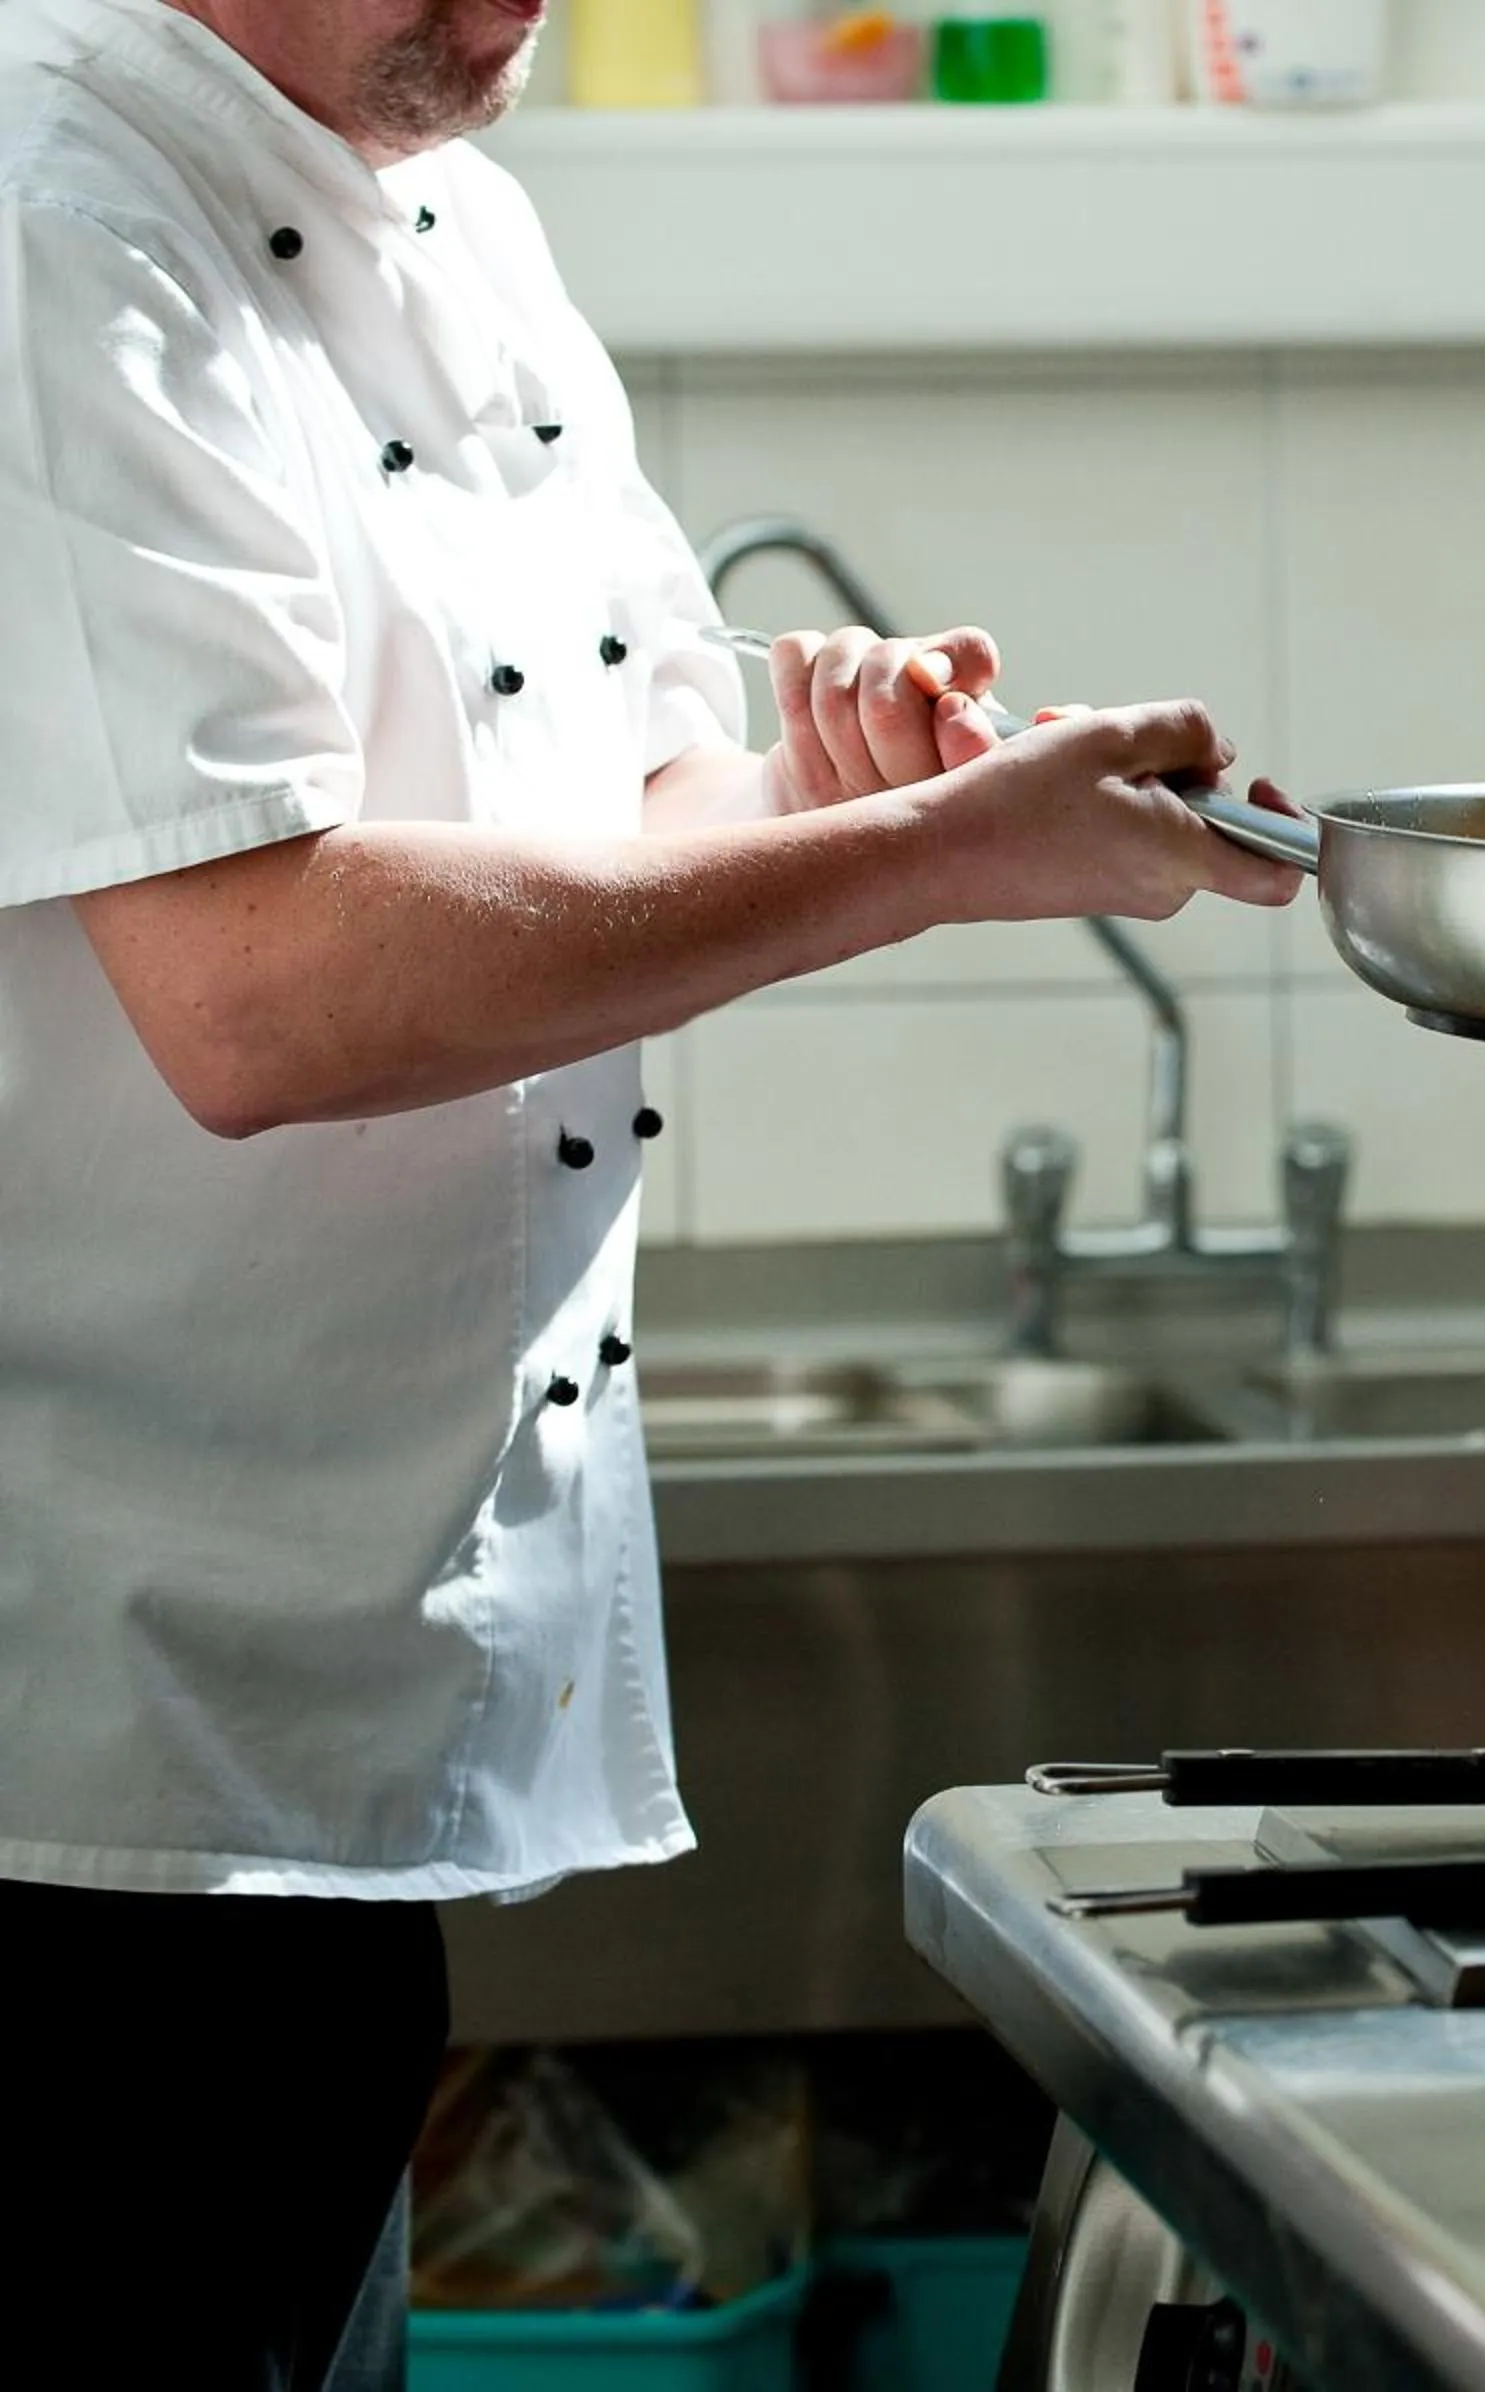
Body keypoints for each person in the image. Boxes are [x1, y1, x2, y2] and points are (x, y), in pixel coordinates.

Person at [0, 1, 1302, 2380]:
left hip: (304, 1758)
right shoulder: (49, 217)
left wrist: (848, 797)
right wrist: (933, 856)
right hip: (66, 1774)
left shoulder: (465, 223)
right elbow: (257, 985)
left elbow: (631, 813)